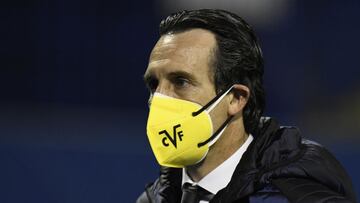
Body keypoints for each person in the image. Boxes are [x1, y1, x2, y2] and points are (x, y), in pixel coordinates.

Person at [137, 9, 356, 203]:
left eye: (180, 81)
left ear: (236, 98)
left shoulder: (294, 196)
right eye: (154, 84)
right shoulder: (153, 199)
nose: (159, 98)